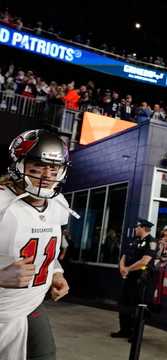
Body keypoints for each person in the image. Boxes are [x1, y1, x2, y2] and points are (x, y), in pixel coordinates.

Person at [0, 129, 76, 360]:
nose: (47, 175)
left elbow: (46, 250)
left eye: (53, 168)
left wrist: (56, 273)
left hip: (31, 303)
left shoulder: (57, 204)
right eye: (38, 167)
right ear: (18, 165)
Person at [111, 218, 158, 340]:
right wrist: (122, 267)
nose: (135, 229)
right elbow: (125, 255)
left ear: (143, 228)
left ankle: (135, 334)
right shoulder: (134, 240)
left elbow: (145, 261)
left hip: (141, 278)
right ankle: (124, 330)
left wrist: (128, 269)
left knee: (136, 306)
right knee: (124, 303)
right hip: (129, 277)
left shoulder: (152, 242)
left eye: (137, 227)